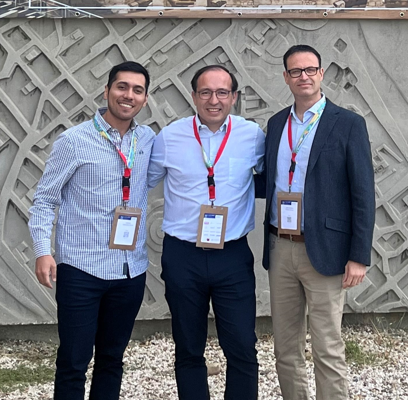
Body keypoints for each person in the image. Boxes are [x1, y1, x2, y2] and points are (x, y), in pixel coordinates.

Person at [29, 60, 156, 400]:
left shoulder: (147, 140)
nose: (128, 95)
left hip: (130, 270)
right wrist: (42, 251)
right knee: (73, 362)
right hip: (81, 269)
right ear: (107, 91)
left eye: (138, 90)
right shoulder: (74, 141)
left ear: (145, 98)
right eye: (122, 87)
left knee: (112, 360)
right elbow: (44, 200)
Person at [262, 44, 376, 400]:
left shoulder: (349, 124)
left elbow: (363, 194)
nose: (304, 76)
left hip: (326, 250)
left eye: (310, 69)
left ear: (321, 74)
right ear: (286, 77)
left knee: (327, 346)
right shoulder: (276, 124)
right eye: (296, 71)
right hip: (280, 247)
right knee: (285, 348)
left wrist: (358, 256)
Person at [148, 65, 265, 400]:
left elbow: (272, 178)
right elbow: (142, 182)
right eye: (206, 92)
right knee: (188, 347)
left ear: (234, 97)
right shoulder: (170, 137)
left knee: (242, 346)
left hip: (232, 255)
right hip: (182, 255)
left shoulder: (252, 136)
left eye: (222, 92)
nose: (214, 100)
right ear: (194, 96)